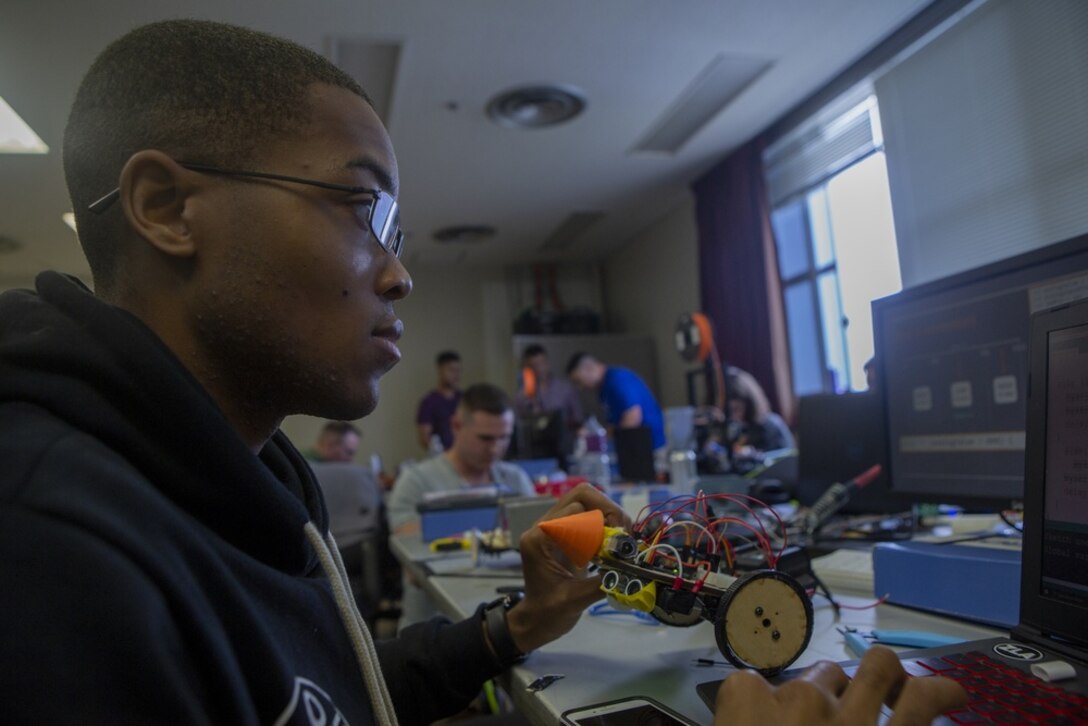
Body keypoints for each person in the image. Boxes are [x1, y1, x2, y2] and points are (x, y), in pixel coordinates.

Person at [0, 19, 965, 726]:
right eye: (363, 207)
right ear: (168, 207)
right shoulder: (51, 550)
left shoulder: (256, 476)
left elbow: (335, 697)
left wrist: (516, 627)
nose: (401, 271)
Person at [389, 384, 535, 626]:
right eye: (485, 438)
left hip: (503, 622)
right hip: (435, 631)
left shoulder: (515, 479)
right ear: (456, 426)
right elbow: (414, 559)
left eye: (504, 437)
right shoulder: (416, 481)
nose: (495, 448)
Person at [566, 352, 666, 449]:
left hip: (652, 447)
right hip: (637, 447)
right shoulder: (602, 389)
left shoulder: (617, 379)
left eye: (578, 381)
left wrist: (614, 446)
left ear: (589, 369)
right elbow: (613, 426)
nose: (580, 387)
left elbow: (633, 416)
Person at [725, 367, 795, 452]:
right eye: (728, 411)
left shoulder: (772, 426)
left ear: (750, 404)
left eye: (736, 409)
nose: (733, 417)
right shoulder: (727, 432)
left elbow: (788, 458)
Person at [514, 344, 583, 428]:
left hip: (563, 437)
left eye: (541, 363)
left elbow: (578, 419)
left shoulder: (566, 389)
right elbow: (518, 423)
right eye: (533, 366)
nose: (539, 369)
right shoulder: (521, 396)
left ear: (547, 363)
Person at [416, 350, 462, 451]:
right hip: (442, 457)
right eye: (451, 370)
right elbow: (424, 438)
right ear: (440, 370)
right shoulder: (429, 402)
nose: (455, 375)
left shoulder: (464, 400)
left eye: (457, 371)